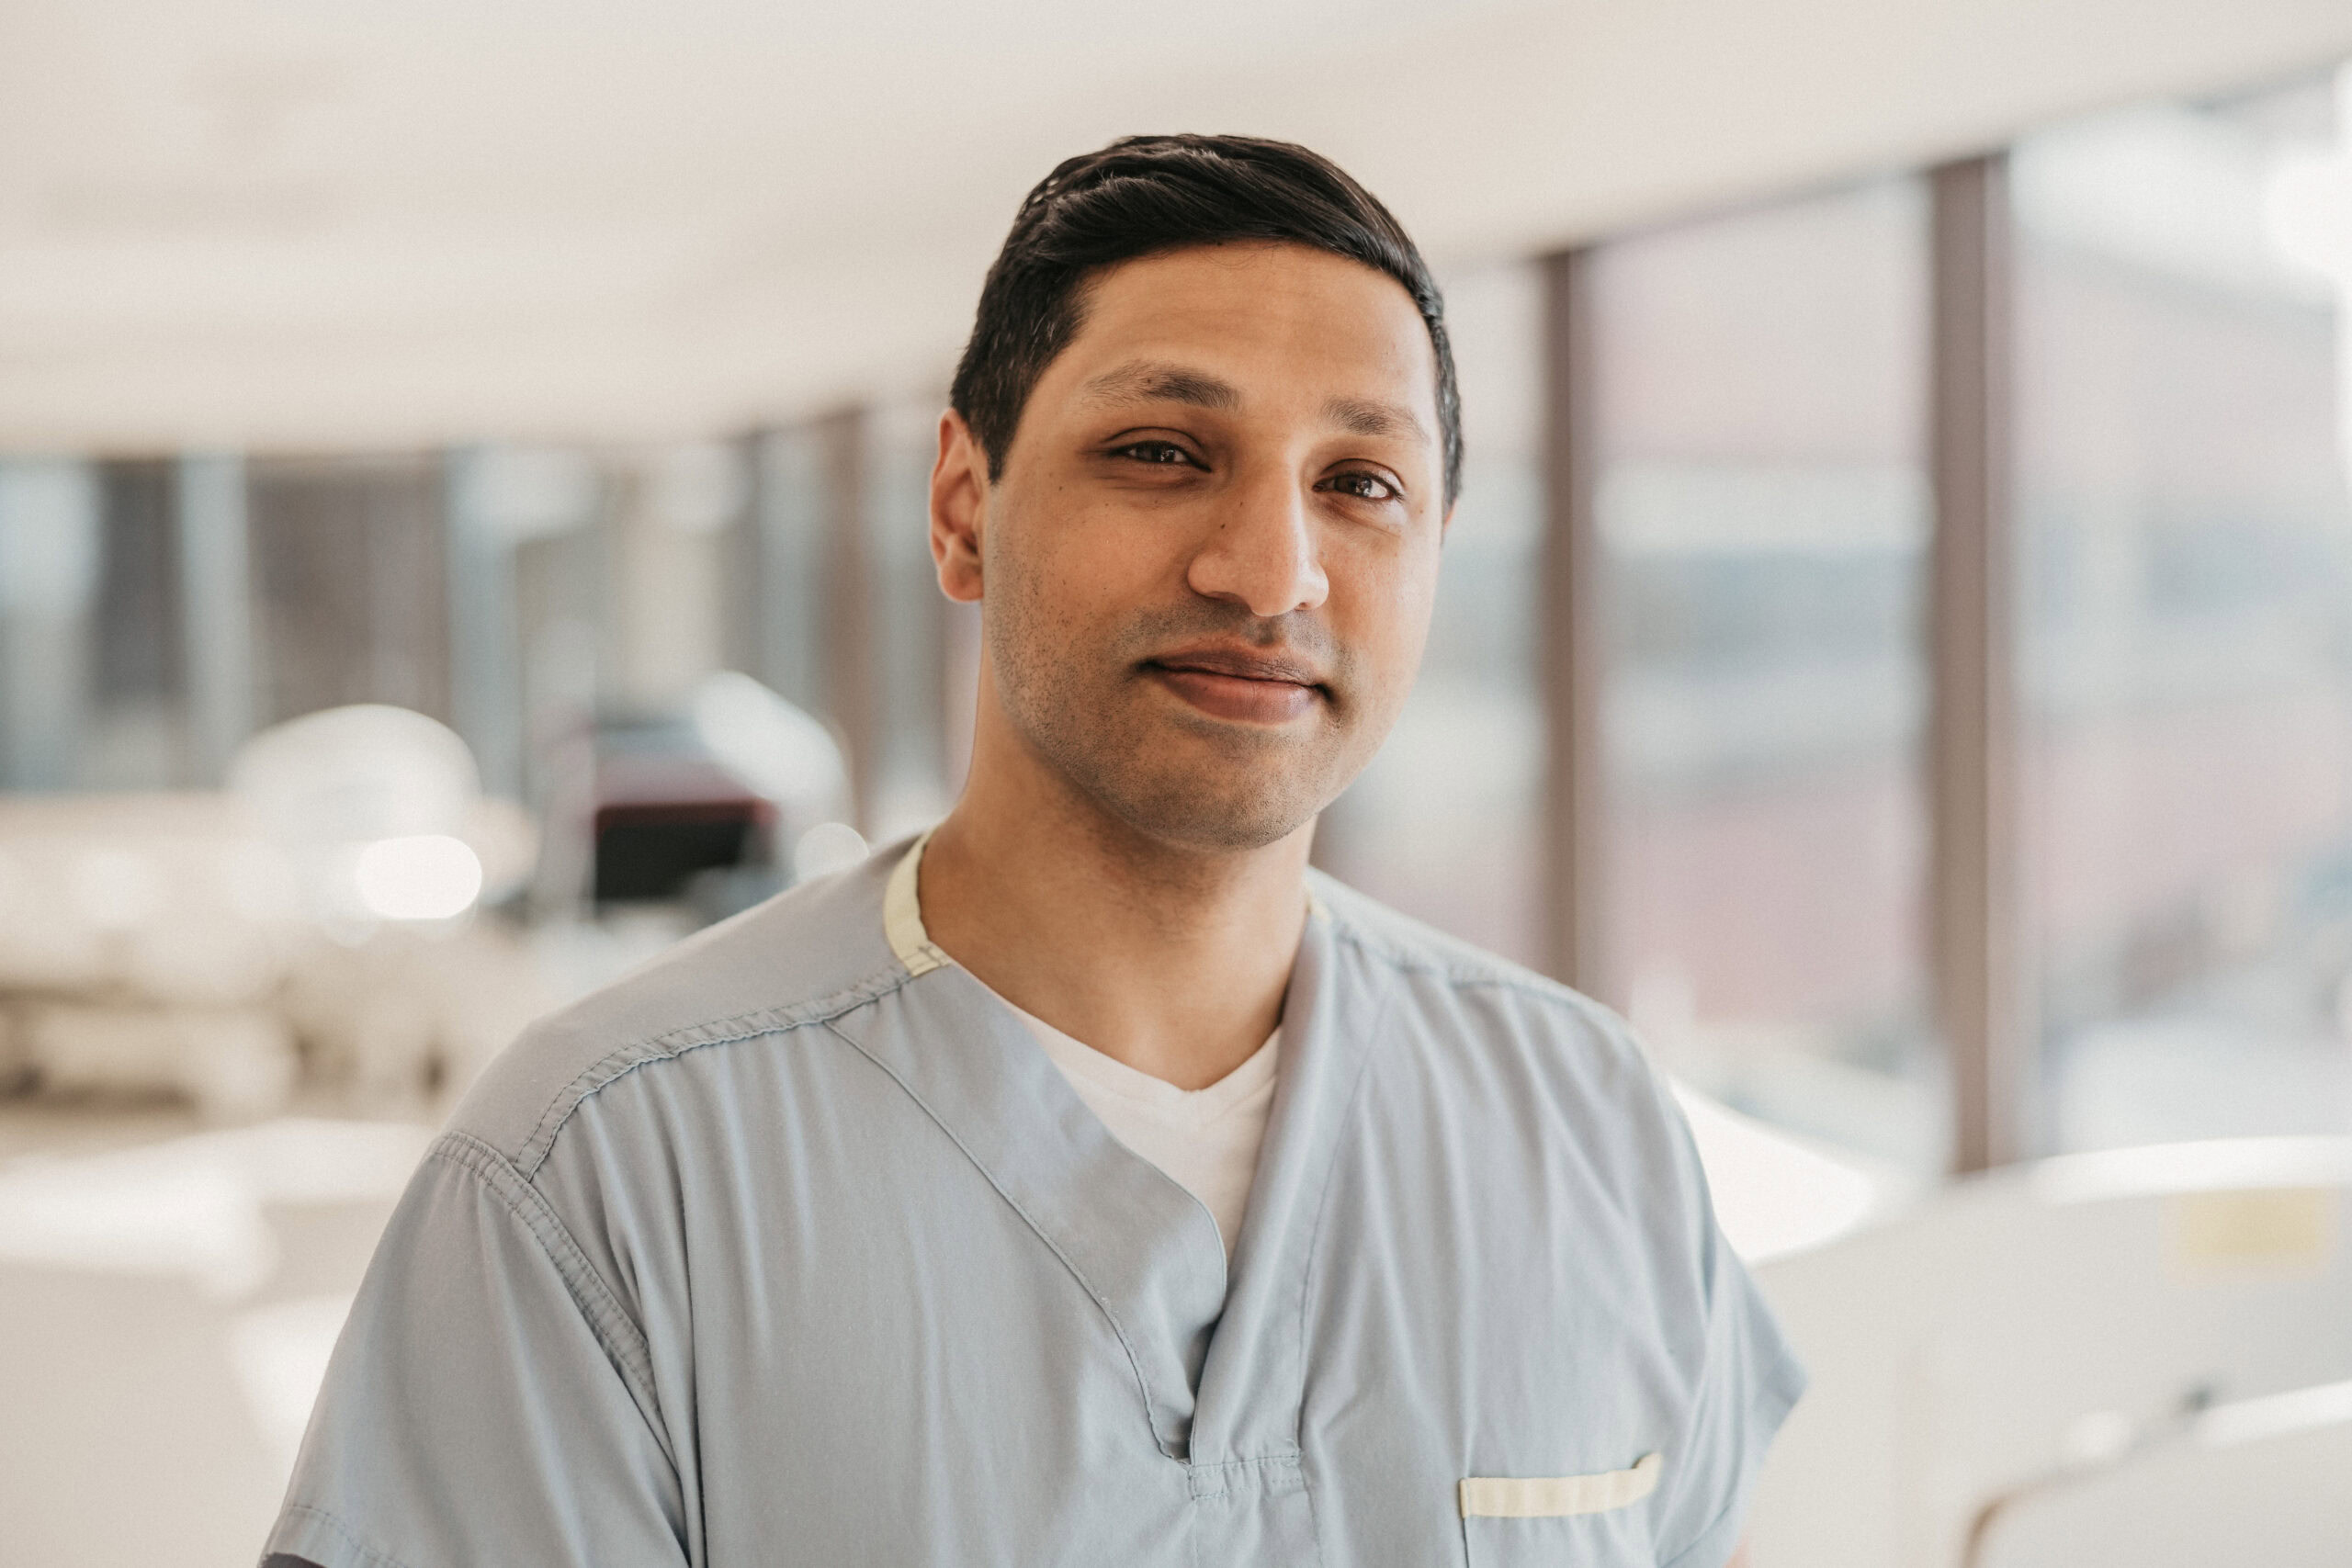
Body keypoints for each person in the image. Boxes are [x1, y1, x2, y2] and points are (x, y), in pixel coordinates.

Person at [263, 133, 1801, 1568]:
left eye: (1362, 484)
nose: (1272, 574)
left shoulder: (1593, 1127)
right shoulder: (603, 1168)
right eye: (1159, 451)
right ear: (960, 508)